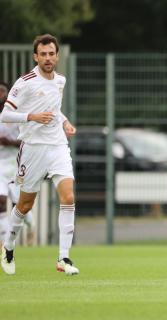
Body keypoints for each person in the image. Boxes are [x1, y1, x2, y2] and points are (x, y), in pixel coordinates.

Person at [0, 34, 79, 275]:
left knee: (68, 197)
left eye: (51, 53)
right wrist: (31, 117)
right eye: (42, 54)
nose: (47, 58)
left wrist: (64, 122)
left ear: (57, 56)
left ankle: (63, 259)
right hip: (32, 149)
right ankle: (9, 247)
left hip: (57, 147)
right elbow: (5, 115)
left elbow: (55, 109)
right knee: (24, 205)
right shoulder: (25, 82)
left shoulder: (60, 81)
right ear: (36, 56)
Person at [0, 82, 35, 246]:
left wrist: (10, 142)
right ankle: (4, 242)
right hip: (0, 165)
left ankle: (31, 225)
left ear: (8, 95)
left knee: (19, 205)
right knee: (1, 201)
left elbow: (27, 140)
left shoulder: (18, 115)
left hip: (16, 165)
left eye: (2, 91)